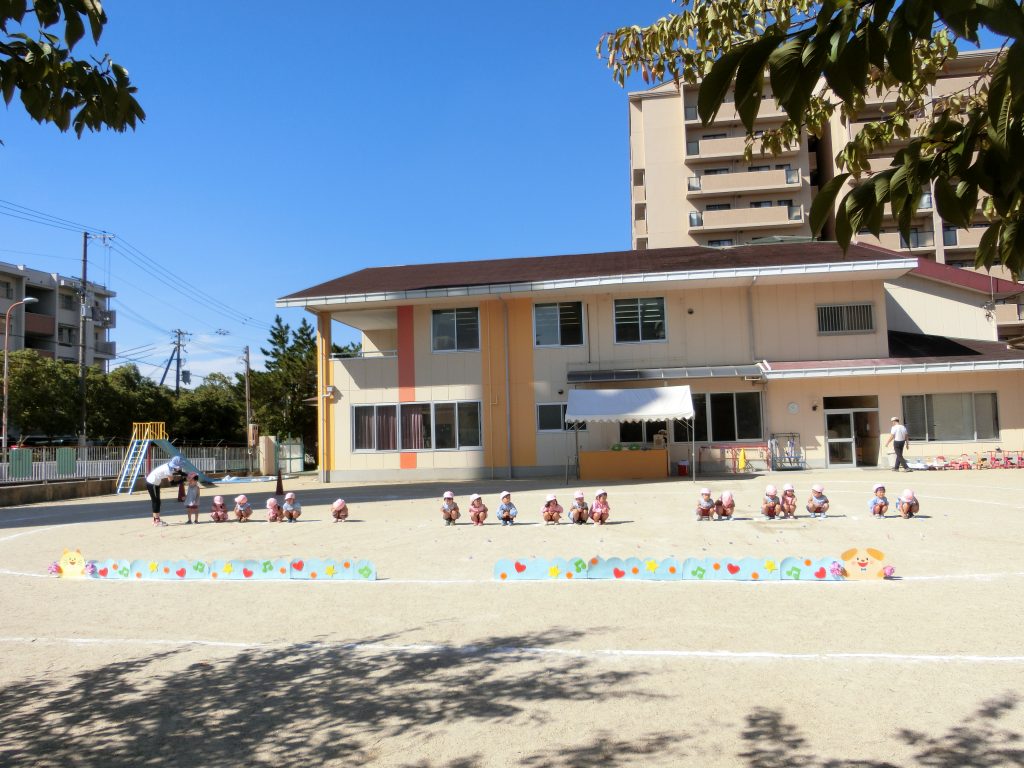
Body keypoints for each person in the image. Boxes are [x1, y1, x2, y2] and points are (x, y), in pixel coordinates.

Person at [144, 455, 184, 526]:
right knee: (156, 501)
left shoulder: (169, 466)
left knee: (157, 501)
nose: (180, 467)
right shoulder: (168, 470)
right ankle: (156, 521)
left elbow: (178, 471)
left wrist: (185, 474)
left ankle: (156, 519)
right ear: (176, 465)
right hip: (152, 483)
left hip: (155, 483)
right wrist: (183, 480)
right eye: (179, 465)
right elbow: (172, 483)